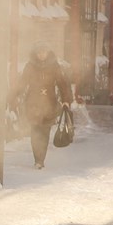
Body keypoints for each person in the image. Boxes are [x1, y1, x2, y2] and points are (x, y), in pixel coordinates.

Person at [10, 41, 73, 169]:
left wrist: (66, 100)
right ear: (36, 53)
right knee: (35, 132)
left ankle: (41, 159)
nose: (41, 55)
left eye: (44, 52)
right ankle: (37, 159)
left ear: (48, 53)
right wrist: (13, 96)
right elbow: (22, 83)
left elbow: (63, 83)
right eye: (39, 52)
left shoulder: (55, 66)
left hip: (49, 103)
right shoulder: (30, 66)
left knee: (45, 132)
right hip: (33, 103)